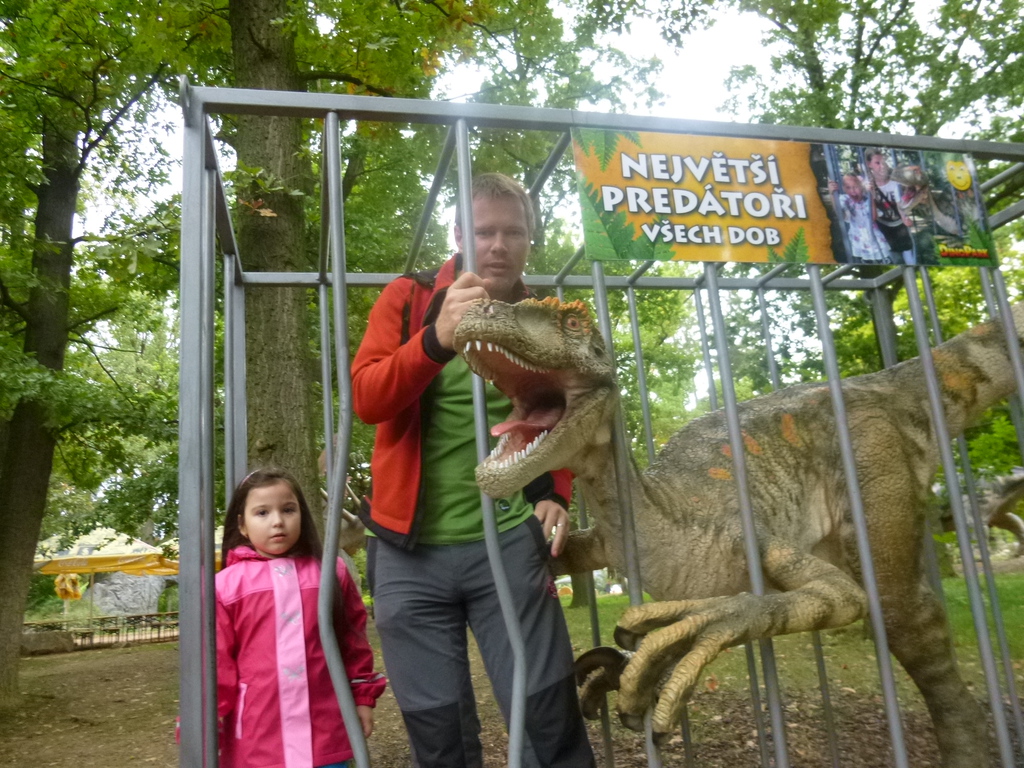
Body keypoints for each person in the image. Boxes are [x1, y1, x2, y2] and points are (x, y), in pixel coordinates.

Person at [352, 172, 596, 768]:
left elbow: (567, 414)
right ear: (460, 235)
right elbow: (368, 399)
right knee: (438, 732)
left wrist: (556, 492)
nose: (499, 246)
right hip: (407, 553)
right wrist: (436, 339)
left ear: (530, 238)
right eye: (485, 232)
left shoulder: (550, 317)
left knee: (546, 715)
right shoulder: (408, 299)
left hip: (507, 540)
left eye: (514, 232)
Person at [216, 467, 386, 768]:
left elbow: (353, 643)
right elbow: (217, 663)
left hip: (326, 731)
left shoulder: (331, 573)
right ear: (242, 525)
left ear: (302, 516)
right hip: (258, 739)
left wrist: (362, 698)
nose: (277, 521)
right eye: (262, 513)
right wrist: (206, 721)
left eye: (288, 509)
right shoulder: (227, 586)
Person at [864, 148, 916, 265]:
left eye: (884, 162)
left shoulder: (896, 181)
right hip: (882, 225)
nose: (882, 166)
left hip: (899, 223)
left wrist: (905, 218)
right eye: (877, 163)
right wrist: (868, 192)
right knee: (893, 255)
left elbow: (900, 204)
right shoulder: (867, 183)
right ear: (869, 164)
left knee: (908, 251)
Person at [827, 174, 891, 264]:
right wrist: (832, 195)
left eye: (855, 187)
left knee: (883, 259)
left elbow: (873, 218)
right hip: (859, 240)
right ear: (844, 188)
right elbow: (840, 215)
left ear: (861, 186)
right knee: (865, 262)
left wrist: (870, 194)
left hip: (875, 238)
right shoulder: (845, 199)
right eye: (848, 187)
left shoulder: (867, 198)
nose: (852, 191)